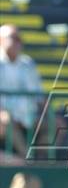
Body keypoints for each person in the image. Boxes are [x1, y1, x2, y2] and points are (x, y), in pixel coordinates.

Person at [0, 25, 44, 158]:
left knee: (56, 123)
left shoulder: (28, 63)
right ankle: (26, 159)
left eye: (19, 39)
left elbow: (39, 94)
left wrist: (43, 110)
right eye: (13, 38)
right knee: (6, 120)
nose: (17, 42)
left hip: (28, 114)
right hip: (6, 116)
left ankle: (41, 161)